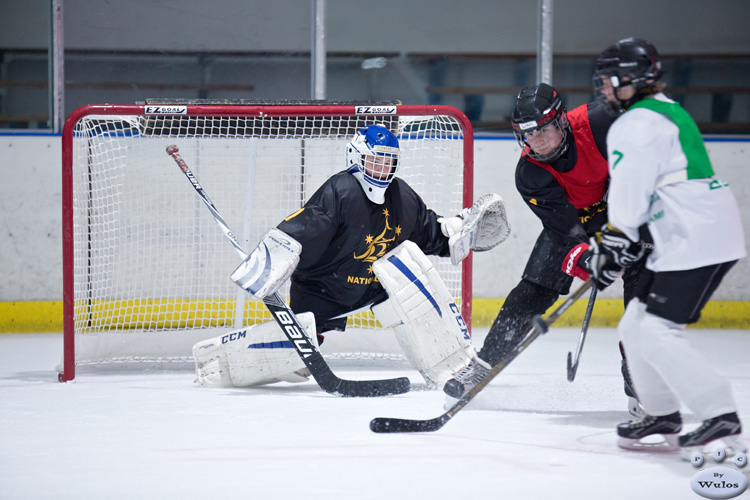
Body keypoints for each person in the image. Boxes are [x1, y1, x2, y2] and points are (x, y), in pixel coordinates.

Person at [194, 124, 510, 388]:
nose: (382, 170)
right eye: (375, 161)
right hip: (322, 290)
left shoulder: (402, 196)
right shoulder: (341, 191)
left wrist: (456, 231)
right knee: (295, 364)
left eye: (389, 162)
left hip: (372, 288)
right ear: (356, 158)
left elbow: (427, 231)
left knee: (413, 274)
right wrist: (270, 262)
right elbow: (305, 228)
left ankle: (451, 366)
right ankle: (217, 365)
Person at [580, 37, 746, 453]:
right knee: (634, 322)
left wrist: (615, 238)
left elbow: (630, 195)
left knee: (656, 330)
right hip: (693, 228)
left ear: (630, 79)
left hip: (696, 234)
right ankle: (661, 412)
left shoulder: (634, 124)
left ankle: (719, 414)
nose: (603, 89)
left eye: (607, 81)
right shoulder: (665, 111)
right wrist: (623, 241)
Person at [443, 83, 645, 410]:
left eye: (543, 132)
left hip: (624, 211)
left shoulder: (599, 122)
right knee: (534, 288)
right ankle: (481, 365)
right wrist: (593, 260)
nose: (536, 143)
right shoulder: (530, 173)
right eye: (528, 136)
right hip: (574, 221)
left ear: (562, 121)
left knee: (642, 275)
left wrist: (628, 189)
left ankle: (637, 367)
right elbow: (566, 231)